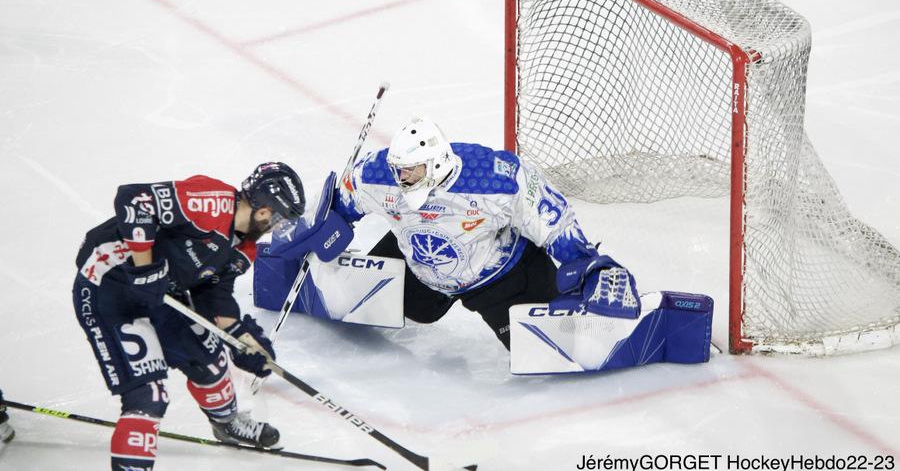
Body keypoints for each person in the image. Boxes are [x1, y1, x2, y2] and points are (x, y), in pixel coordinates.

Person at [331, 117, 639, 350]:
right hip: (422, 269)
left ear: (437, 162)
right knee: (412, 308)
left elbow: (553, 220)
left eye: (412, 170)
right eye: (399, 170)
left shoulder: (496, 178)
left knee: (542, 349)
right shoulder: (376, 174)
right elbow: (343, 205)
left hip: (501, 279)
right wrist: (322, 228)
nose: (402, 178)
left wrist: (586, 263)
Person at [73, 162, 305, 471]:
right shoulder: (212, 202)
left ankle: (227, 422)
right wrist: (145, 268)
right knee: (148, 396)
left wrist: (244, 340)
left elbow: (214, 294)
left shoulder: (244, 248)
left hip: (162, 294)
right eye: (279, 219)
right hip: (110, 286)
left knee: (210, 359)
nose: (276, 228)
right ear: (265, 210)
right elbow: (134, 199)